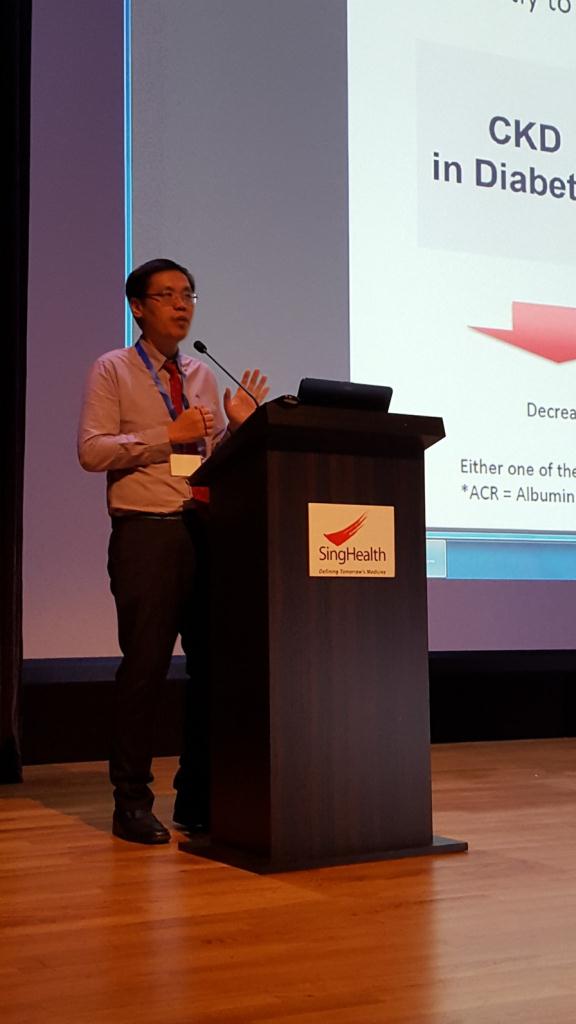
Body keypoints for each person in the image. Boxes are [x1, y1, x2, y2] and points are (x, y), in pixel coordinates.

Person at [78, 258, 269, 844]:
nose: (182, 305)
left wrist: (238, 430)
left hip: (202, 530)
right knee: (146, 668)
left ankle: (197, 796)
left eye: (188, 294)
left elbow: (206, 460)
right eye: (167, 295)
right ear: (138, 307)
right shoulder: (113, 369)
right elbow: (91, 450)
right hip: (146, 532)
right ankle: (131, 802)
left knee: (211, 668)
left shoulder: (202, 374)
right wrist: (169, 434)